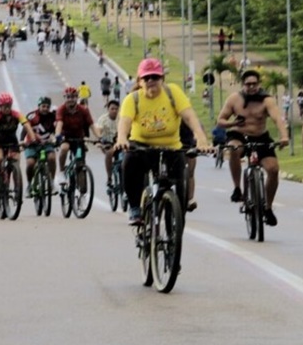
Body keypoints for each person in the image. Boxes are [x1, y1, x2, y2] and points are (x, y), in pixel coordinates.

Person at [114, 59, 211, 224]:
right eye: (146, 78)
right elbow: (125, 122)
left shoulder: (173, 92)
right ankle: (135, 208)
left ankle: (176, 220)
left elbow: (189, 116)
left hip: (171, 147)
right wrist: (122, 138)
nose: (151, 81)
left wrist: (201, 139)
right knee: (128, 162)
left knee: (181, 183)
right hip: (142, 146)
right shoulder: (133, 99)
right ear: (139, 81)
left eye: (155, 77)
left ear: (162, 79)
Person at [216, 69, 290, 226]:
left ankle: (268, 207)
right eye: (248, 84)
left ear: (259, 84)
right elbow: (220, 121)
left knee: (273, 169)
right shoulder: (234, 99)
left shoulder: (267, 100)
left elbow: (278, 119)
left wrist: (284, 136)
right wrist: (233, 123)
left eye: (254, 84)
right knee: (234, 149)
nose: (251, 87)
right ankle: (237, 188)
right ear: (243, 85)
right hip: (239, 135)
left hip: (260, 136)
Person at [0, 93, 37, 210]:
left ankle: (17, 189)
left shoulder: (16, 114)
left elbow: (27, 125)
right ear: (0, 106)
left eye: (9, 105)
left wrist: (33, 139)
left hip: (12, 141)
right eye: (4, 106)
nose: (7, 108)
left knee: (16, 162)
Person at [55, 86, 100, 183]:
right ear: (65, 98)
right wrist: (57, 135)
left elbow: (92, 125)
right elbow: (59, 123)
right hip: (66, 136)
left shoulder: (83, 110)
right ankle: (61, 172)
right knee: (64, 148)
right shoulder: (61, 109)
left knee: (80, 162)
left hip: (79, 137)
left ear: (77, 97)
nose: (70, 99)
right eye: (68, 97)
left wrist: (100, 137)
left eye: (73, 97)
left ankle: (81, 186)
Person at [24, 97, 58, 190]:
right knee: (30, 163)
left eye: (47, 107)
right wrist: (23, 142)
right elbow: (25, 130)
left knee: (52, 158)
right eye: (43, 106)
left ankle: (51, 181)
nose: (45, 109)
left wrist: (56, 139)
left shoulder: (53, 117)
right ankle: (29, 184)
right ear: (39, 106)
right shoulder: (31, 116)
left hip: (46, 143)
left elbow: (56, 130)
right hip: (32, 143)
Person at [96, 99, 120, 183]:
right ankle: (109, 177)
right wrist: (99, 140)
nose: (114, 111)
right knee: (109, 153)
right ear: (108, 109)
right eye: (112, 109)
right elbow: (98, 131)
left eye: (116, 109)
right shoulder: (103, 119)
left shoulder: (121, 118)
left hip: (119, 143)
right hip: (106, 143)